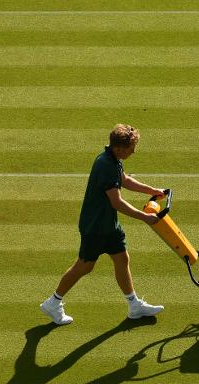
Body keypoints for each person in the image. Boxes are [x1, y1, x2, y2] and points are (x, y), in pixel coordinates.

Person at [40, 124, 166, 325]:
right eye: (131, 148)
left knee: (122, 259)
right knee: (84, 266)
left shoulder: (113, 159)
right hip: (96, 227)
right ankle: (53, 303)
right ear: (119, 148)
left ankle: (134, 306)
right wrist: (145, 217)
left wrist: (153, 190)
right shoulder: (106, 165)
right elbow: (116, 202)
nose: (134, 151)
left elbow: (124, 180)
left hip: (109, 224)